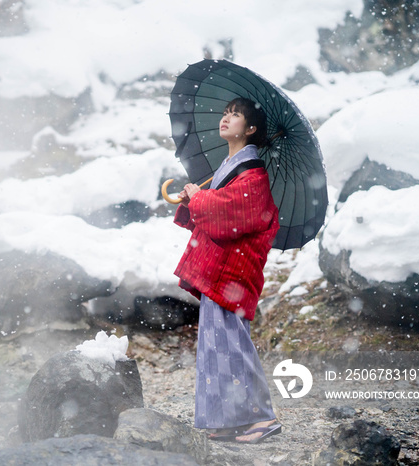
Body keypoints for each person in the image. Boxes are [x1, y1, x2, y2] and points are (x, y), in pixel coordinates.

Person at [173, 97, 281, 444]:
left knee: (232, 344)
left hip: (233, 272)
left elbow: (232, 214)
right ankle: (229, 420)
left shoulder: (253, 173)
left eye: (235, 116)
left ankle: (261, 419)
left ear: (250, 129)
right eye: (225, 113)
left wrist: (200, 200)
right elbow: (219, 209)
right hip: (223, 271)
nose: (226, 119)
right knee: (215, 344)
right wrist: (196, 197)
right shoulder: (231, 167)